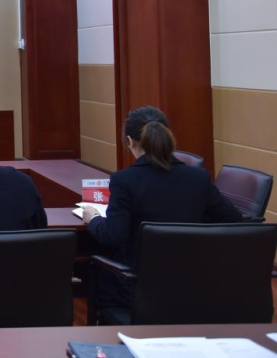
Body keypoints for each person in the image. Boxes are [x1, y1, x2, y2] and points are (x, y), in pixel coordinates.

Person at [83, 106, 241, 312]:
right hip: (194, 287)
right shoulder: (198, 177)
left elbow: (114, 236)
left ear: (130, 142)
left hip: (136, 289)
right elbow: (234, 220)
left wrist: (94, 219)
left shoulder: (124, 180)